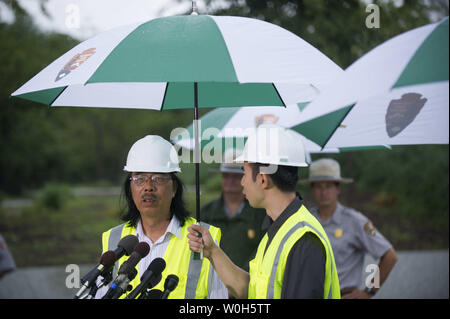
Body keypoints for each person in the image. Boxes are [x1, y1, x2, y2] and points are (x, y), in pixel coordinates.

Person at [188, 125, 341, 299]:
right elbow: (251, 291)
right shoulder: (278, 230)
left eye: (243, 173)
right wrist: (212, 252)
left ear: (262, 179)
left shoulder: (303, 240)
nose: (242, 182)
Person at [95, 135, 227, 299]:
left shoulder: (204, 238)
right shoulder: (113, 240)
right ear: (130, 188)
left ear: (174, 188)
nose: (148, 187)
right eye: (140, 178)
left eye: (158, 178)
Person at [300, 158, 398, 299]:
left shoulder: (355, 221)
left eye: (328, 186)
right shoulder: (304, 220)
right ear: (312, 189)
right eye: (318, 187)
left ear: (338, 188)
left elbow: (390, 256)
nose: (323, 192)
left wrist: (369, 291)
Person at [201, 148, 266, 272]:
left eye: (236, 176)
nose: (230, 181)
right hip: (211, 283)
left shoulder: (260, 214)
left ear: (244, 178)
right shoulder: (206, 212)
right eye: (226, 176)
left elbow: (261, 252)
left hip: (247, 282)